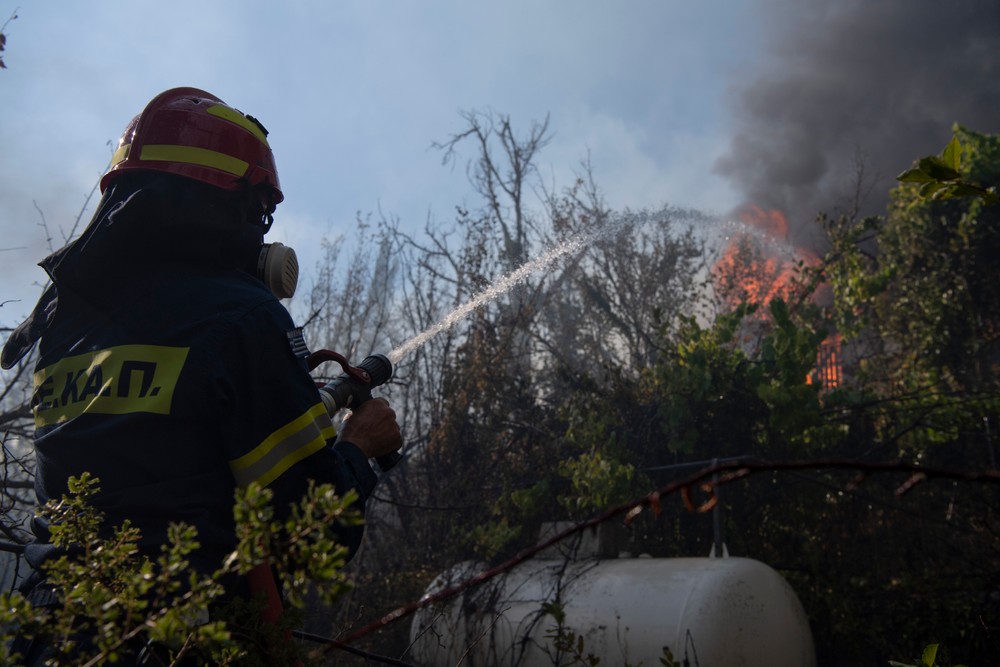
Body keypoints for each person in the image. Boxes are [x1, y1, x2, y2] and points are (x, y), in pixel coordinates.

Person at [0, 87, 403, 662]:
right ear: (231, 204)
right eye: (260, 212)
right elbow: (312, 533)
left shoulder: (62, 326)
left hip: (47, 635)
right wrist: (360, 448)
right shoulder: (240, 316)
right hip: (176, 642)